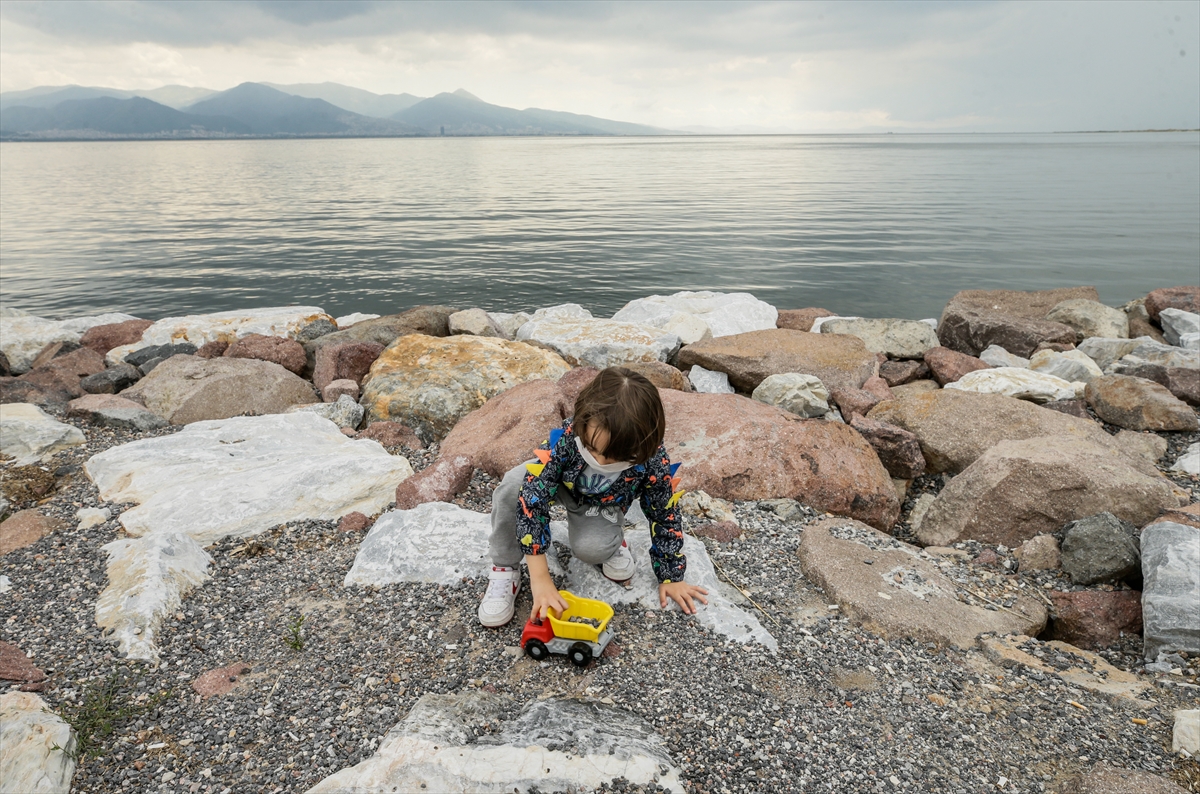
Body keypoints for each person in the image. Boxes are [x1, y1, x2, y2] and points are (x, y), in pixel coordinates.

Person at [478, 366, 709, 627]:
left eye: (610, 457)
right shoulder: (568, 437)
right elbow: (534, 497)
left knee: (592, 549)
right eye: (591, 448)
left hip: (601, 504)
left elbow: (663, 513)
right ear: (582, 423)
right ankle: (505, 568)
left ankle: (614, 543)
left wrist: (671, 577)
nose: (598, 460)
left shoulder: (652, 460)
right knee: (514, 484)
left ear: (643, 446)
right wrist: (540, 578)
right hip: (560, 484)